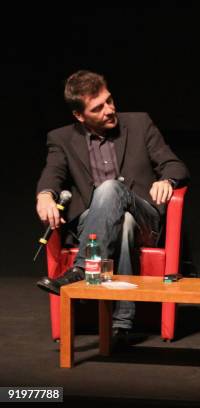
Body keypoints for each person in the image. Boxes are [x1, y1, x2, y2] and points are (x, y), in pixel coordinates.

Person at [35, 70, 189, 335]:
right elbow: (53, 174)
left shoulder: (140, 123)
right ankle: (122, 322)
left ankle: (83, 268)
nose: (109, 109)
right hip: (93, 226)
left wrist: (168, 181)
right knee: (122, 223)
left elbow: (174, 165)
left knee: (112, 191)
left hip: (144, 219)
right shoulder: (61, 139)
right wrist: (44, 195)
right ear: (79, 116)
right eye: (98, 108)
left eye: (109, 100)